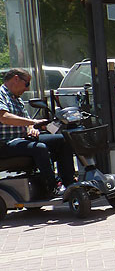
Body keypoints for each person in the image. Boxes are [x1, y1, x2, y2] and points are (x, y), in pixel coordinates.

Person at [0, 68, 76, 197]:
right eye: (27, 84)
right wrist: (32, 121)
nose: (27, 89)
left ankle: (68, 182)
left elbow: (26, 122)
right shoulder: (1, 94)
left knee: (63, 139)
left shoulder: (17, 99)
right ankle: (53, 186)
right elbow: (4, 117)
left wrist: (32, 128)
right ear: (16, 78)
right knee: (39, 148)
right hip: (5, 144)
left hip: (21, 139)